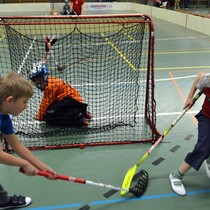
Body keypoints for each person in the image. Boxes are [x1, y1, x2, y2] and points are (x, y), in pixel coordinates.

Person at [0, 72, 56, 209]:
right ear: (10, 100)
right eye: (24, 102)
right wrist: (24, 164)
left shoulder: (5, 118)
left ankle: (2, 201)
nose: (26, 106)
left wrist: (42, 167)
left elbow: (17, 146)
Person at [169, 72, 210, 196]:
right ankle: (176, 175)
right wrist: (190, 97)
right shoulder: (207, 81)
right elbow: (199, 76)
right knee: (203, 148)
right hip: (207, 118)